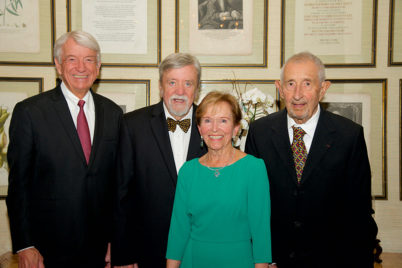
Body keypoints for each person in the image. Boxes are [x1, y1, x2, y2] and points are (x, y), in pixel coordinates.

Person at [245, 51, 378, 268]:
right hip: (274, 261)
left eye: (307, 83)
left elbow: (359, 214)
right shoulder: (259, 133)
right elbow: (251, 206)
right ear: (279, 88)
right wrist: (258, 259)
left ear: (323, 89)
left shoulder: (349, 136)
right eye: (290, 84)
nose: (297, 94)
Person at [6, 31, 123, 268]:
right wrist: (25, 245)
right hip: (46, 250)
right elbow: (19, 185)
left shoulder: (114, 114)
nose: (81, 67)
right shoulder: (30, 113)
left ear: (98, 67)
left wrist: (117, 239)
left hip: (99, 250)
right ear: (58, 65)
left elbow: (117, 185)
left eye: (89, 59)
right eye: (72, 59)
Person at [112, 53, 207, 268]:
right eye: (172, 82)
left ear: (197, 88)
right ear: (160, 86)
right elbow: (121, 194)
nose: (180, 91)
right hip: (148, 250)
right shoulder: (132, 125)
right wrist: (124, 254)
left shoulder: (213, 126)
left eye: (188, 83)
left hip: (202, 248)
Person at [166, 91, 272, 268]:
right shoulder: (188, 171)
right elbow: (178, 231)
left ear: (236, 128)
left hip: (239, 261)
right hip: (193, 260)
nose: (214, 128)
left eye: (223, 120)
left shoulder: (254, 168)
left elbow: (261, 233)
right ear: (199, 128)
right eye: (207, 120)